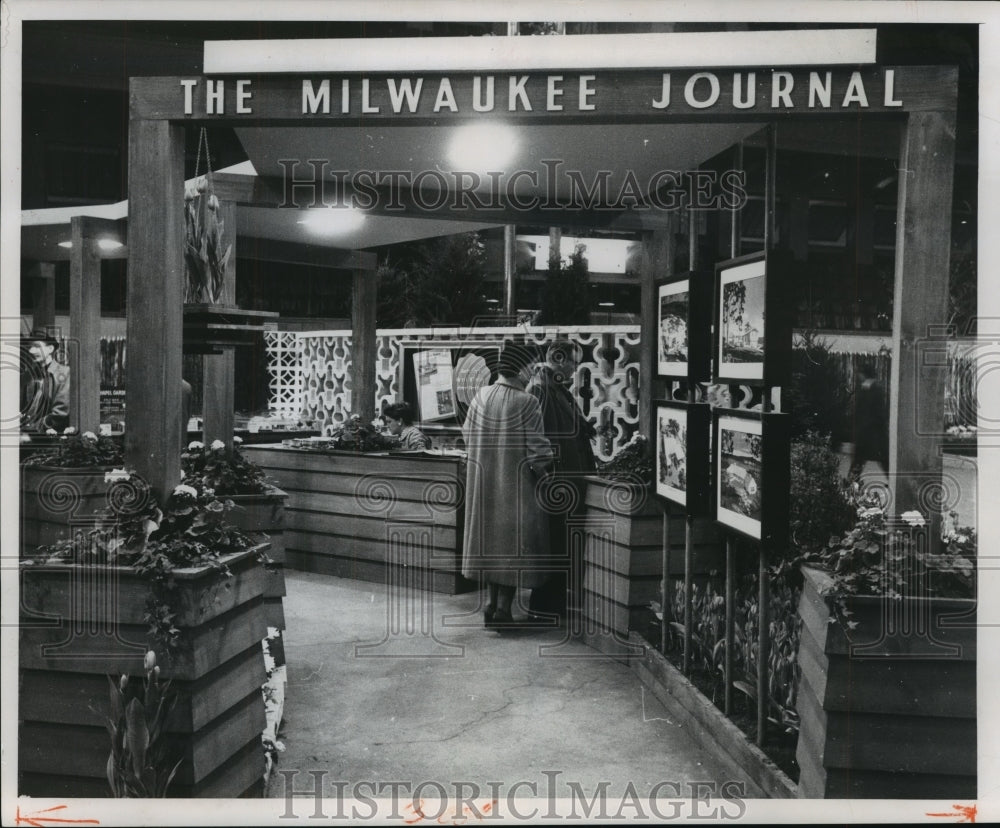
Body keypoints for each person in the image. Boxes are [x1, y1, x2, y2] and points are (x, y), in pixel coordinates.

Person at [461, 342, 553, 628]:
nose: (533, 372)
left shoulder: (480, 396)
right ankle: (503, 608)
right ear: (521, 368)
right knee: (512, 548)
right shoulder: (527, 402)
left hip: (483, 485)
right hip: (516, 487)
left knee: (491, 546)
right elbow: (538, 452)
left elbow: (466, 435)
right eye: (532, 367)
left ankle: (490, 604)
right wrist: (546, 474)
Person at [525, 341, 596, 622]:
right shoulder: (541, 389)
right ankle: (544, 607)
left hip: (566, 478)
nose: (575, 370)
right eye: (573, 364)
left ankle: (553, 604)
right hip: (557, 479)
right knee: (555, 542)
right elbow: (539, 437)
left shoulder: (554, 388)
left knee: (562, 541)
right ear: (559, 359)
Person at [20, 330, 70, 434]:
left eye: (37, 346)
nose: (31, 351)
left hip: (49, 436)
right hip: (25, 434)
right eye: (30, 347)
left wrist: (33, 429)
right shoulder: (28, 376)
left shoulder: (64, 373)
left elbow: (60, 413)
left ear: (50, 349)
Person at [851, 362, 888, 481]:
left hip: (869, 432)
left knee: (859, 460)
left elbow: (873, 412)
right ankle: (851, 483)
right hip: (873, 433)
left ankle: (850, 484)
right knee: (883, 460)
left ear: (864, 374)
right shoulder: (872, 388)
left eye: (860, 373)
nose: (858, 376)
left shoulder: (870, 389)